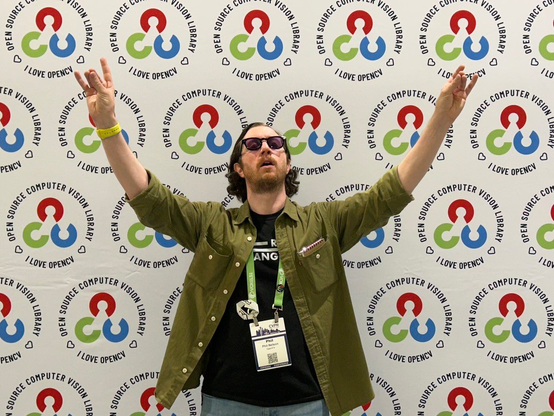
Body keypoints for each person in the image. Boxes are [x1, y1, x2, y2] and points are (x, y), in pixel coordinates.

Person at [74, 59, 477, 416]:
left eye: (275, 144)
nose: (265, 147)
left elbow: (390, 193)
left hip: (309, 400)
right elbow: (149, 198)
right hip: (227, 401)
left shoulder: (324, 222)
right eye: (252, 145)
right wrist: (108, 125)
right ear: (238, 168)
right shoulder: (212, 224)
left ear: (286, 163)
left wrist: (441, 117)